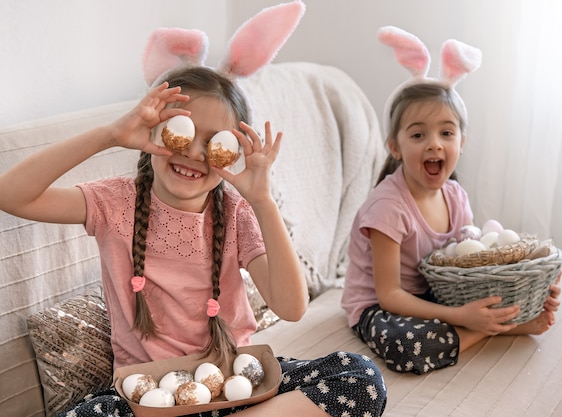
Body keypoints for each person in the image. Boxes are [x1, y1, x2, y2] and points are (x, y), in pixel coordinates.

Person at [0, 5, 387, 417]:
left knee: (359, 377)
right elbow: (12, 194)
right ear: (153, 132)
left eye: (215, 142)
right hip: (146, 394)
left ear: (233, 153)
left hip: (238, 383)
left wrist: (263, 202)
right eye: (181, 132)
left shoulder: (235, 211)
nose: (196, 153)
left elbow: (291, 308)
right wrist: (110, 134)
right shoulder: (115, 202)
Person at [341, 26, 562, 375]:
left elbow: (468, 263)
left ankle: (502, 322)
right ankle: (485, 330)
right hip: (379, 307)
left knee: (499, 299)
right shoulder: (387, 206)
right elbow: (390, 295)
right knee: (411, 348)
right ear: (395, 147)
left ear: (462, 142)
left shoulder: (456, 196)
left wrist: (516, 293)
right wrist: (461, 317)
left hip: (436, 294)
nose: (435, 144)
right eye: (418, 134)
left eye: (446, 132)